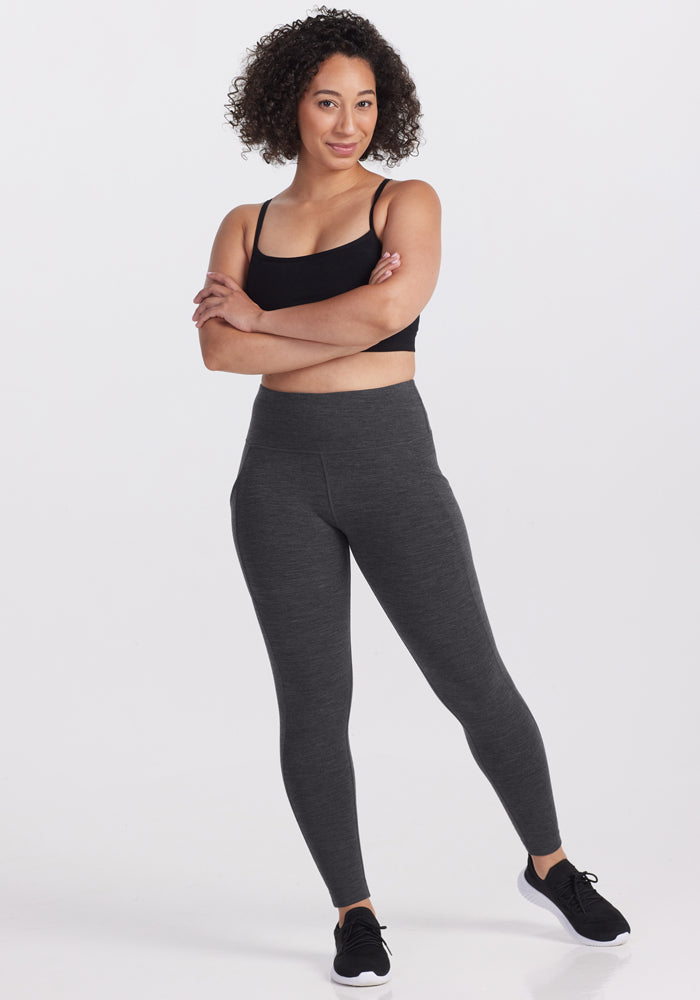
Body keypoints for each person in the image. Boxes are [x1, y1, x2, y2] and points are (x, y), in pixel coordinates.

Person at [191, 7, 630, 987]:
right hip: (276, 481)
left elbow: (396, 307)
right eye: (325, 102)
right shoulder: (244, 223)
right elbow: (220, 352)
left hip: (392, 470)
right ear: (287, 106)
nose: (347, 122)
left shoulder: (407, 202)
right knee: (312, 703)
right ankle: (354, 911)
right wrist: (319, 323)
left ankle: (549, 862)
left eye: (364, 102)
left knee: (472, 681)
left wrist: (271, 316)